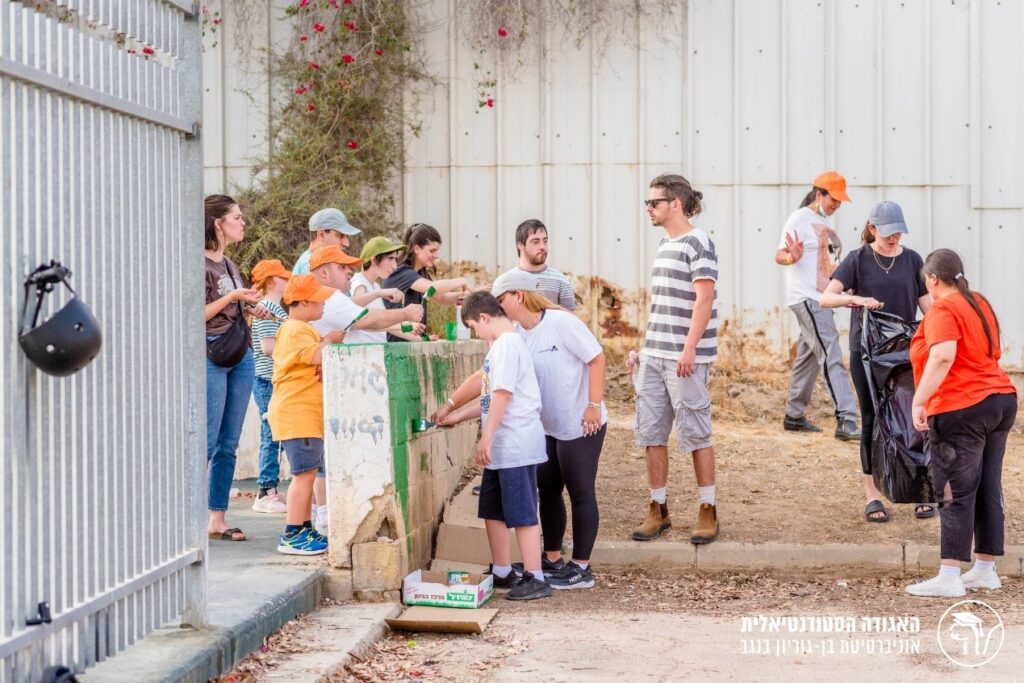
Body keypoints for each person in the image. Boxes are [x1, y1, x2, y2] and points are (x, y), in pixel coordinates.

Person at [905, 249, 1016, 597]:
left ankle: (950, 575)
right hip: (1000, 398)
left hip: (962, 405)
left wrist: (919, 400)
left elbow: (943, 355)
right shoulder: (978, 301)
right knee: (987, 486)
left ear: (933, 279)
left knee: (954, 489)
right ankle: (984, 569)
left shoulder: (943, 308)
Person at [820, 201, 934, 523]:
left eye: (898, 233)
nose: (893, 239)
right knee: (872, 418)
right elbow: (826, 297)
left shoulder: (912, 260)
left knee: (915, 417)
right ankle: (872, 494)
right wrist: (854, 300)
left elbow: (929, 308)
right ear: (872, 229)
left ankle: (920, 490)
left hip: (905, 353)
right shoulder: (857, 260)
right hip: (866, 353)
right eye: (887, 234)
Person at [435, 291, 552, 601]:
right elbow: (488, 398)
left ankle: (535, 576)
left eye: (474, 326)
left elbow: (502, 395)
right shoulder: (499, 347)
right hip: (502, 445)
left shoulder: (508, 345)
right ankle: (502, 569)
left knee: (522, 512)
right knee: (493, 509)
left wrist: (485, 437)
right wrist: (457, 415)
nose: (476, 333)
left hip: (515, 443)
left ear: (484, 318)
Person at [625, 174, 719, 545]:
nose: (648, 209)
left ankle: (708, 509)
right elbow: (663, 304)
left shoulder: (699, 243)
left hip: (685, 358)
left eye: (654, 203)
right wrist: (644, 348)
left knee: (696, 432)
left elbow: (705, 298)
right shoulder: (665, 245)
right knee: (651, 432)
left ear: (674, 204)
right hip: (654, 354)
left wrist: (690, 348)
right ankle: (657, 507)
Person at [307, 245, 424, 532]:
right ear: (324, 272)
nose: (349, 271)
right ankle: (321, 516)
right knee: (319, 456)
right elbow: (367, 320)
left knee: (318, 455)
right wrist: (406, 313)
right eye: (342, 267)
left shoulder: (333, 297)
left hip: (321, 382)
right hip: (318, 384)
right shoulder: (329, 297)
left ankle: (318, 515)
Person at [776, 171, 861, 441]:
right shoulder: (799, 218)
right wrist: (792, 256)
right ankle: (847, 419)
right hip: (807, 298)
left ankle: (794, 415)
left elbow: (829, 267)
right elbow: (780, 255)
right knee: (831, 353)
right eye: (833, 199)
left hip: (822, 298)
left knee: (809, 356)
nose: (837, 205)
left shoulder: (823, 224)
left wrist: (845, 289)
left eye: (839, 201)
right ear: (818, 195)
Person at [204, 194, 267, 542]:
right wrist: (232, 298)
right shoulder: (199, 264)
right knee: (208, 440)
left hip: (240, 355)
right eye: (237, 217)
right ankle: (185, 520)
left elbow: (231, 312)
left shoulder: (228, 264)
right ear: (219, 223)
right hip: (211, 355)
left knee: (229, 442)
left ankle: (217, 518)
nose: (243, 223)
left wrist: (249, 309)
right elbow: (197, 316)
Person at [268, 274, 344, 555]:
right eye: (318, 300)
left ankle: (304, 526)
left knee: (309, 473)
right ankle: (291, 533)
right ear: (300, 302)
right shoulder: (294, 329)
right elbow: (314, 356)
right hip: (296, 412)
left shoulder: (305, 328)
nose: (323, 305)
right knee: (303, 475)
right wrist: (332, 339)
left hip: (307, 414)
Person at [249, 259, 292, 514]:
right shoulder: (266, 308)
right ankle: (266, 490)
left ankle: (271, 489)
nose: (289, 282)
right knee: (271, 434)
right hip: (268, 380)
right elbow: (267, 347)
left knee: (277, 433)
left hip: (275, 379)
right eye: (284, 277)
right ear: (272, 281)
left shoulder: (277, 309)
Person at [381, 223, 471, 341]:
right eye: (432, 251)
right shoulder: (402, 273)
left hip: (414, 342)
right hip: (397, 344)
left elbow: (441, 298)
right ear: (417, 248)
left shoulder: (419, 273)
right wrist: (461, 280)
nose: (436, 256)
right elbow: (433, 288)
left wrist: (467, 296)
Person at [348, 236, 426, 343]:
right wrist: (378, 293)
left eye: (395, 259)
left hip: (376, 353)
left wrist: (423, 339)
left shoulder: (375, 286)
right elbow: (355, 316)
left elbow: (385, 324)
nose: (394, 266)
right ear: (374, 260)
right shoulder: (358, 283)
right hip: (362, 355)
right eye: (390, 258)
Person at [513, 219, 577, 309]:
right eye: (535, 242)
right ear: (520, 245)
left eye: (545, 241)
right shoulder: (507, 282)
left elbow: (570, 319)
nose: (542, 246)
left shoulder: (560, 281)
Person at [292, 208, 362, 274]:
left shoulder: (315, 263)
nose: (347, 243)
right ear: (321, 235)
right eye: (340, 235)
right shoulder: (311, 267)